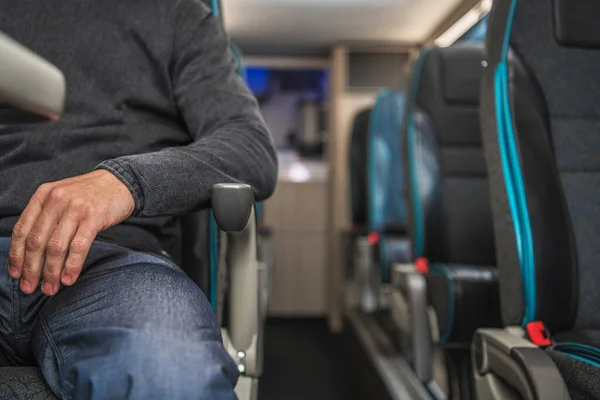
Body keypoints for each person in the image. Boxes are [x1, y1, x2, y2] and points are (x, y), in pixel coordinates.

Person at [0, 0, 278, 398]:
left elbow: (251, 149)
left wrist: (126, 182)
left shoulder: (177, 13)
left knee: (168, 370)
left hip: (115, 266)